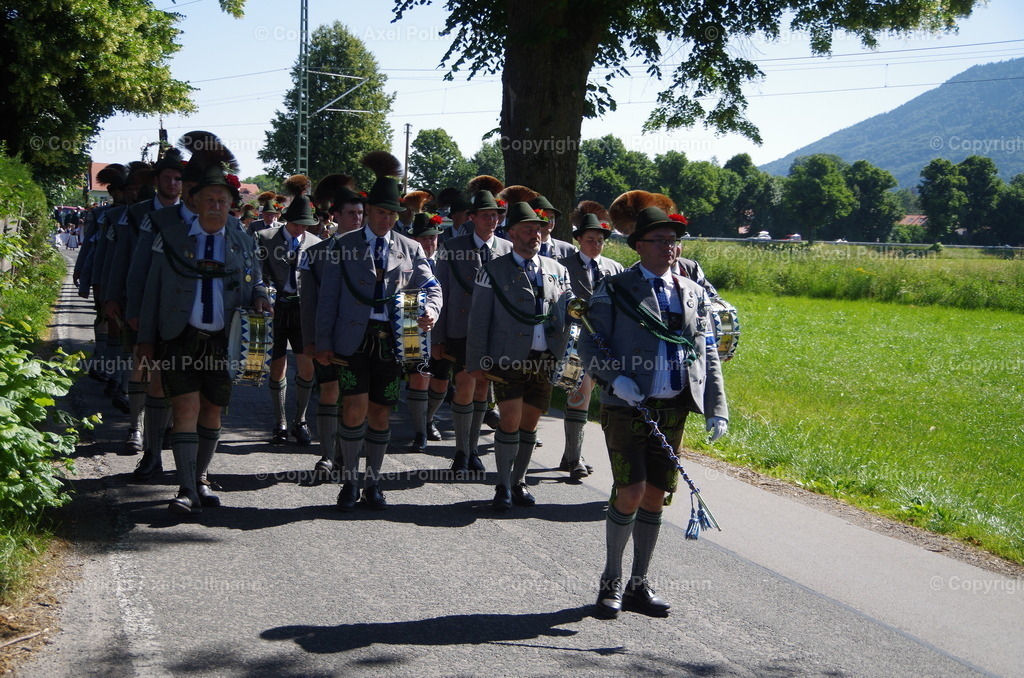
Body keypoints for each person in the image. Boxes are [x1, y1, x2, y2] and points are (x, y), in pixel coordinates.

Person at [578, 206, 729, 619]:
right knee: (629, 490)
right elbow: (589, 343)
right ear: (639, 246)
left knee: (655, 495)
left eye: (674, 241)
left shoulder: (692, 291)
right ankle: (610, 581)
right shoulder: (616, 288)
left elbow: (706, 352)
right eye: (660, 241)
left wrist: (717, 407)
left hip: (674, 406)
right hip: (627, 405)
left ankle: (638, 584)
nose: (670, 248)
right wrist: (613, 379)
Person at [137, 162, 271, 515]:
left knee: (212, 412)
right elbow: (152, 291)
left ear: (231, 205)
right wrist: (146, 341)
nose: (215, 205)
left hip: (224, 342)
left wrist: (261, 296)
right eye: (208, 199)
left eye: (222, 200)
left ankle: (200, 479)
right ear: (194, 202)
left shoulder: (244, 241)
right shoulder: (170, 238)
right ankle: (184, 489)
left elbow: (256, 280)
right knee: (185, 407)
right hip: (179, 336)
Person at [315, 152, 441, 511]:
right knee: (353, 409)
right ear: (368, 211)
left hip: (392, 342)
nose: (387, 219)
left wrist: (431, 310)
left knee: (381, 412)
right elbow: (328, 299)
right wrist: (322, 344)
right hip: (352, 340)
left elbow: (432, 286)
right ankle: (350, 482)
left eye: (393, 214)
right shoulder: (343, 246)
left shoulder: (411, 247)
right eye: (382, 212)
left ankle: (373, 482)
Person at [466, 202, 574, 510]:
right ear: (511, 233)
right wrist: (476, 361)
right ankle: (502, 485)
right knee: (510, 419)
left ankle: (519, 481)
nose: (534, 235)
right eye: (527, 229)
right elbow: (478, 319)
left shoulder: (558, 270)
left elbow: (566, 313)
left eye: (538, 229)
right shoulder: (493, 270)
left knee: (530, 422)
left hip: (545, 357)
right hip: (508, 357)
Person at [105, 147, 183, 456]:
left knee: (175, 367)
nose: (174, 184)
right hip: (139, 300)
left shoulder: (191, 214)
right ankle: (135, 428)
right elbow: (121, 257)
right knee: (141, 364)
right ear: (157, 180)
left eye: (179, 179)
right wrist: (113, 296)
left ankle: (168, 427)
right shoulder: (137, 214)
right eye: (168, 178)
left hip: (177, 304)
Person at [433, 189, 512, 474]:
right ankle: (461, 451)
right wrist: (437, 338)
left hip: (494, 332)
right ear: (473, 217)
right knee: (464, 385)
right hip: (460, 328)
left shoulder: (507, 249)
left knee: (482, 386)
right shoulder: (453, 247)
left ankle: (474, 448)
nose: (492, 220)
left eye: (496, 214)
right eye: (486, 215)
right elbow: (441, 292)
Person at [299, 184, 366, 475]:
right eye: (351, 213)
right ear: (336, 215)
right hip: (327, 335)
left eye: (361, 213)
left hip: (360, 340)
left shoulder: (372, 250)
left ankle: (345, 453)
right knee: (329, 392)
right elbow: (309, 302)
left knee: (353, 397)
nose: (358, 218)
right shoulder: (316, 253)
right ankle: (327, 455)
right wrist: (311, 341)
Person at [557, 207, 624, 479]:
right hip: (577, 342)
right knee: (579, 394)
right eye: (590, 240)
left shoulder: (615, 269)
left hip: (608, 343)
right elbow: (559, 302)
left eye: (600, 240)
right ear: (579, 240)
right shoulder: (564, 267)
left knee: (604, 397)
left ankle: (570, 453)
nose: (595, 245)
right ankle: (574, 458)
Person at [256, 176, 319, 446]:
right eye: (295, 225)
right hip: (276, 307)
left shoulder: (316, 243)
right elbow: (255, 273)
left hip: (303, 311)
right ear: (287, 221)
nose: (298, 231)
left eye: (303, 227)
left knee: (307, 367)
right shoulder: (264, 237)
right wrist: (262, 293)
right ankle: (279, 421)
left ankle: (300, 419)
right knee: (277, 364)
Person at [405, 212, 449, 453]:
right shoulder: (406, 260)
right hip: (412, 329)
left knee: (441, 383)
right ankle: (420, 431)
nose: (429, 243)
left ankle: (429, 417)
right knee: (420, 378)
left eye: (432, 238)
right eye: (423, 239)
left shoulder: (447, 261)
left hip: (441, 331)